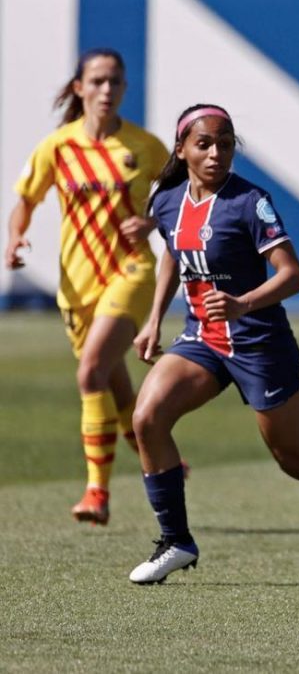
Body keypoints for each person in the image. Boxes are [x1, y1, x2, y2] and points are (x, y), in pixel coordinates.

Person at [123, 104, 299, 586]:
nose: (216, 153)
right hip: (202, 339)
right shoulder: (166, 199)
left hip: (260, 344)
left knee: (293, 457)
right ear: (181, 149)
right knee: (146, 419)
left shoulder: (251, 201)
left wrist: (244, 304)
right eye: (204, 144)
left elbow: (294, 275)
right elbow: (173, 253)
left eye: (225, 144)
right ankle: (176, 540)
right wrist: (152, 320)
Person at [4, 48, 170, 525]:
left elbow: (183, 195)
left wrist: (154, 220)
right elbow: (26, 199)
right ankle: (167, 462)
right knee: (114, 389)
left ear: (123, 89)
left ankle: (97, 493)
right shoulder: (59, 146)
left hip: (131, 273)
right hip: (76, 286)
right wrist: (16, 236)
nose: (106, 90)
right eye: (97, 81)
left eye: (115, 81)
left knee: (90, 372)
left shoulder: (144, 146)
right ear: (79, 88)